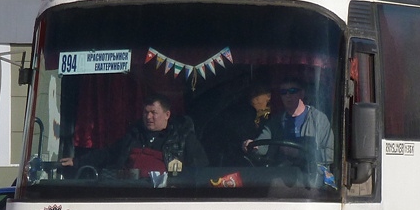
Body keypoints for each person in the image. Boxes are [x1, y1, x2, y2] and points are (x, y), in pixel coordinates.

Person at [62, 94, 208, 177]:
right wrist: (77, 162)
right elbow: (108, 153)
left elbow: (200, 168)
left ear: (167, 115)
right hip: (130, 192)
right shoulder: (134, 135)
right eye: (146, 112)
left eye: (154, 113)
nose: (149, 117)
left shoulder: (183, 138)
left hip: (164, 197)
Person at [247, 77, 334, 167]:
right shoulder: (276, 121)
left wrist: (299, 154)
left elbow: (330, 154)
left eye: (292, 91)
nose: (288, 95)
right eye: (283, 92)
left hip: (310, 176)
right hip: (279, 174)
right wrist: (253, 146)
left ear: (302, 94)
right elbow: (263, 144)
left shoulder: (318, 119)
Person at [206, 83, 273, 166]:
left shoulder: (271, 120)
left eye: (257, 92)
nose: (252, 96)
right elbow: (243, 139)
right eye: (251, 93)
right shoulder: (243, 112)